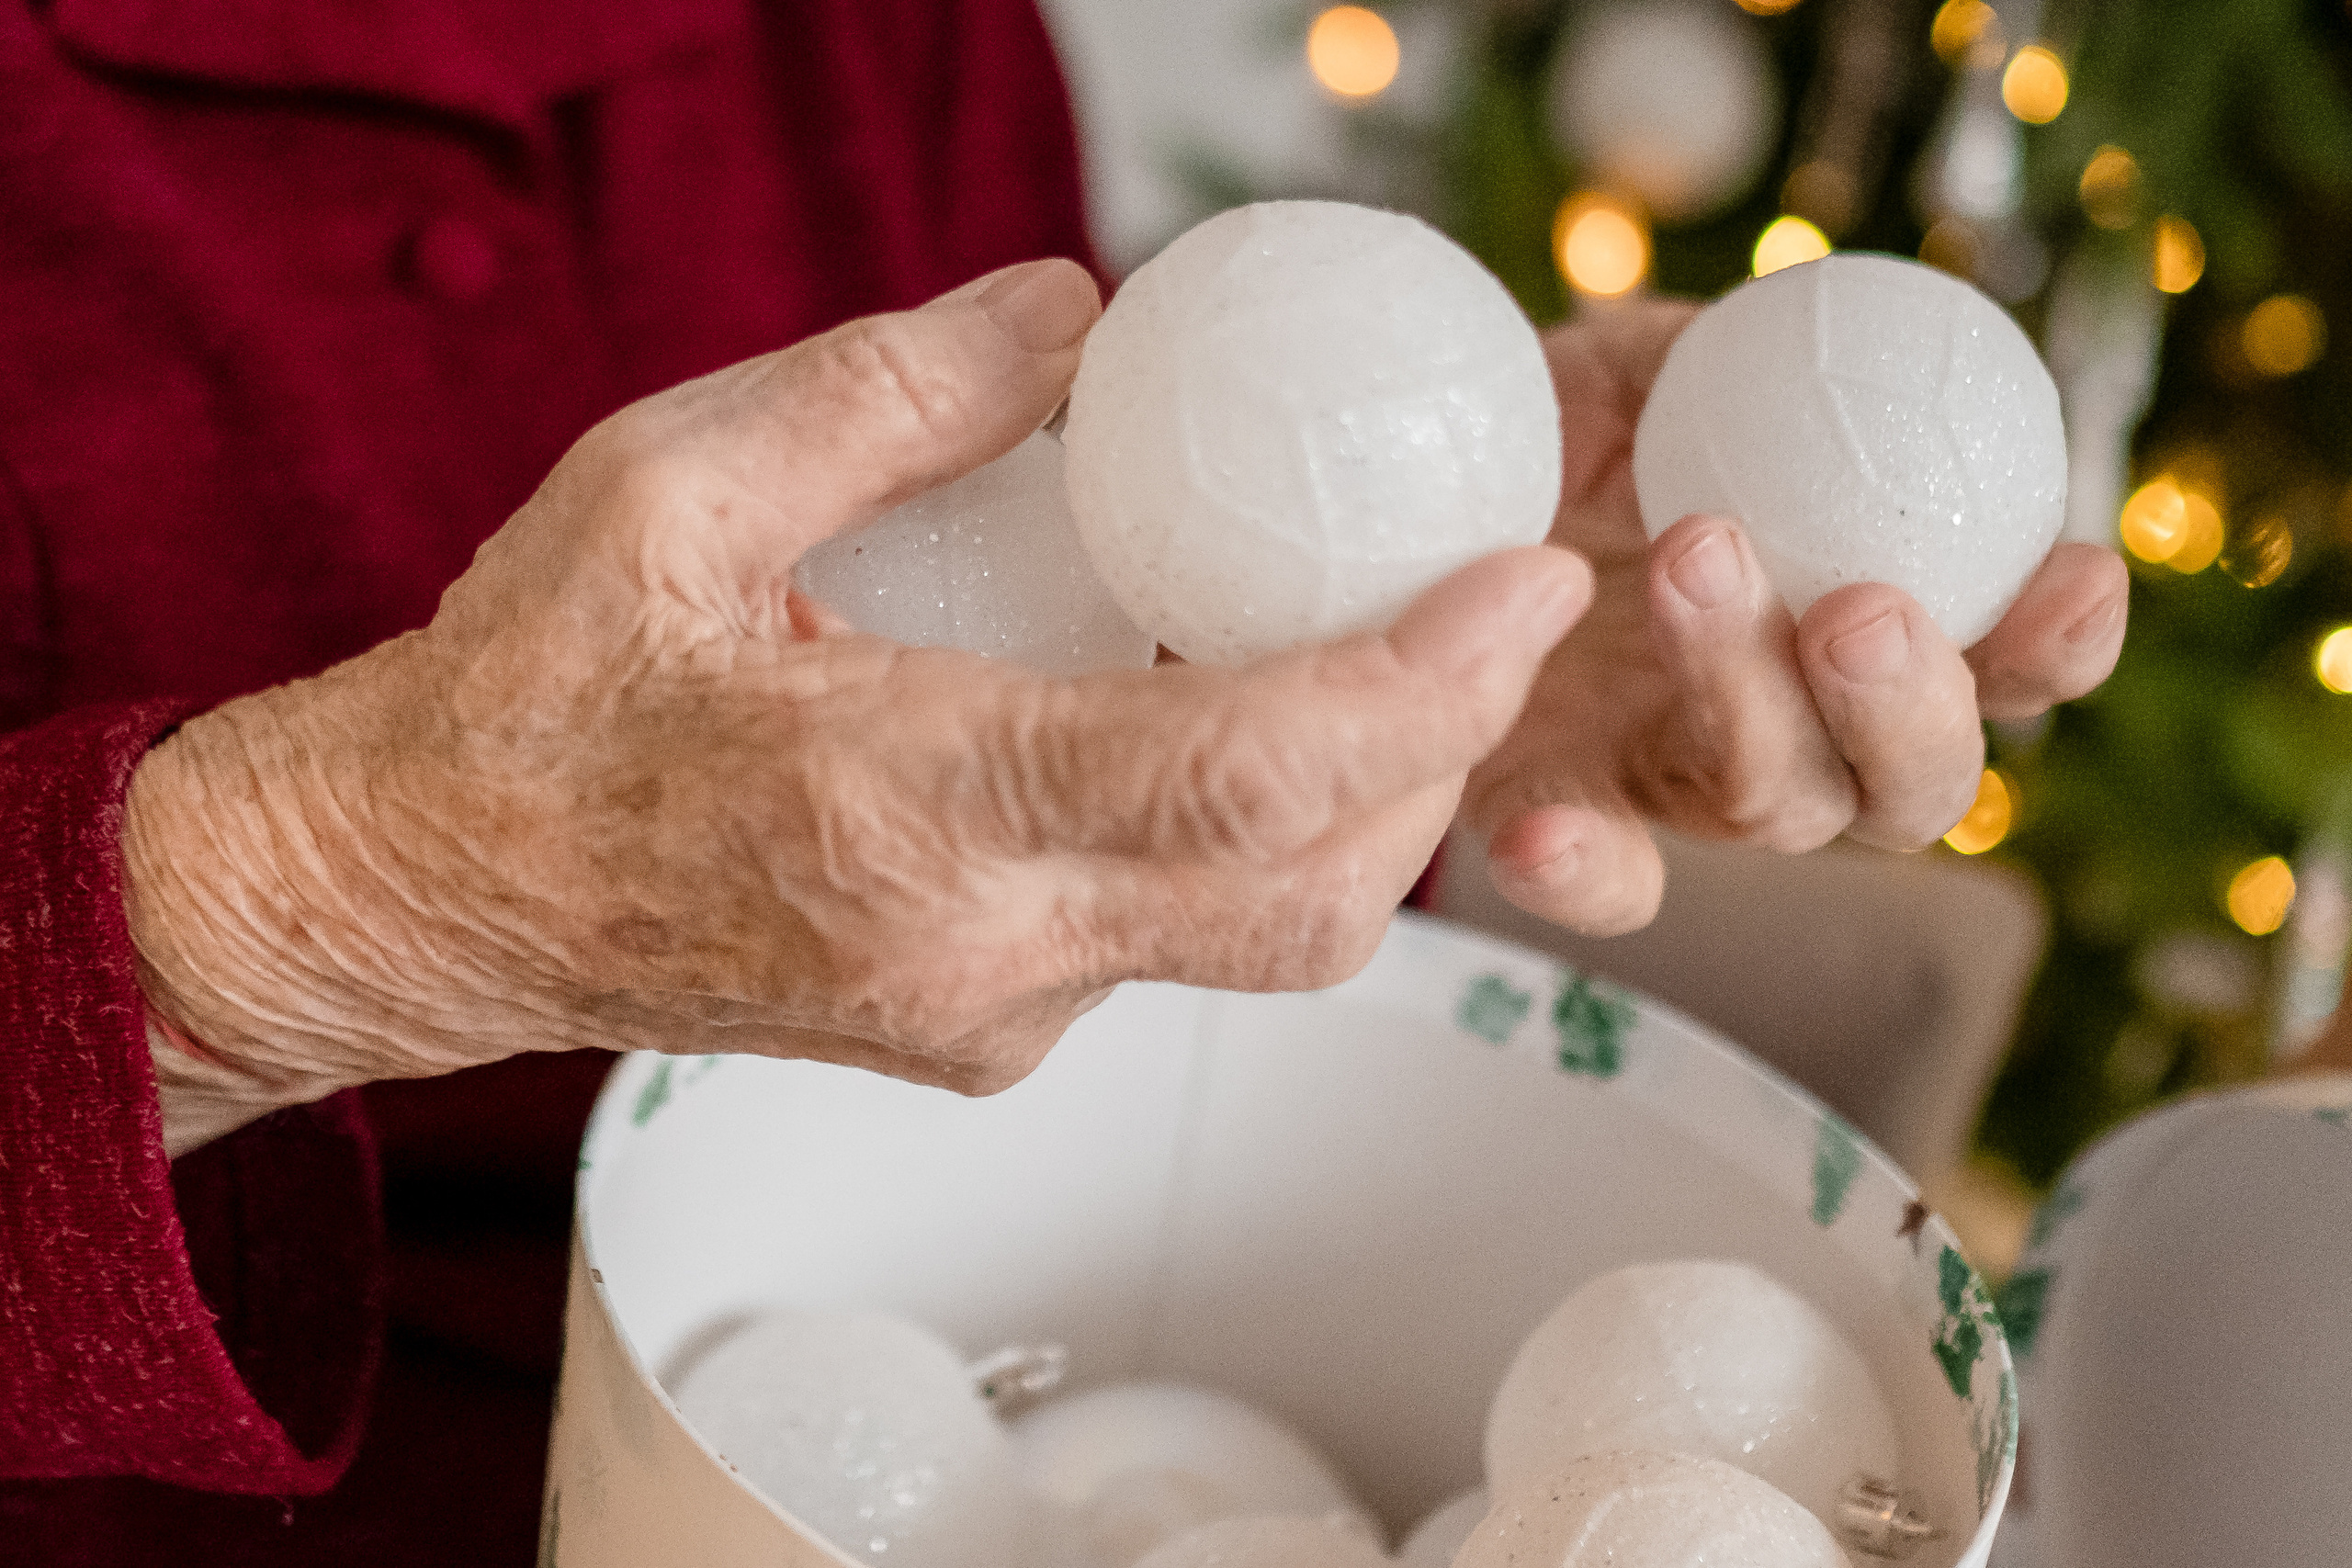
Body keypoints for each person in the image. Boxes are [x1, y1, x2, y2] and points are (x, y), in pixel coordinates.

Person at [0, 0, 2127, 1559]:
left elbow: (1084, 620)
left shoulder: (888, 45)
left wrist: (1365, 675)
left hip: (875, 1354)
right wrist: (330, 903)